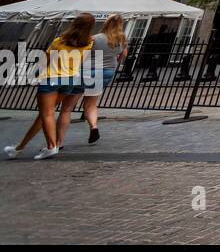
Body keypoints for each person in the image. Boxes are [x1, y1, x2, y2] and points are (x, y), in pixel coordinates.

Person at [3, 12, 96, 161]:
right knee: (45, 115)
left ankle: (52, 146)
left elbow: (44, 61)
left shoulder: (59, 41)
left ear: (74, 23)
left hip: (52, 79)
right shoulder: (89, 42)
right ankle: (18, 148)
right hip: (70, 80)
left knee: (46, 115)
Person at [80, 14, 127, 144]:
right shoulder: (121, 39)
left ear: (106, 23)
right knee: (92, 102)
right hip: (108, 71)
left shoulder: (95, 38)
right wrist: (115, 59)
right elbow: (123, 55)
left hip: (90, 70)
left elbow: (83, 54)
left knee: (73, 101)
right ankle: (94, 126)